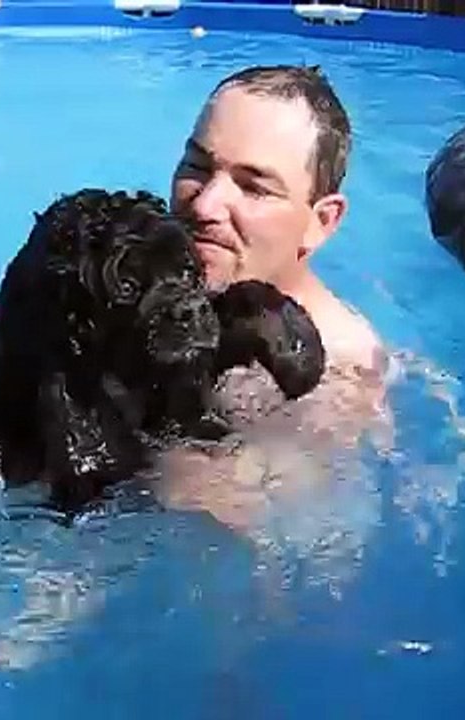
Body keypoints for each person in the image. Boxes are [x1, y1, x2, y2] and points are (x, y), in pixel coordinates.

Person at [156, 64, 397, 531]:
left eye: (254, 188)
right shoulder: (158, 282)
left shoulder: (336, 381)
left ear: (320, 222)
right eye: (197, 167)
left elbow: (226, 535)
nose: (204, 206)